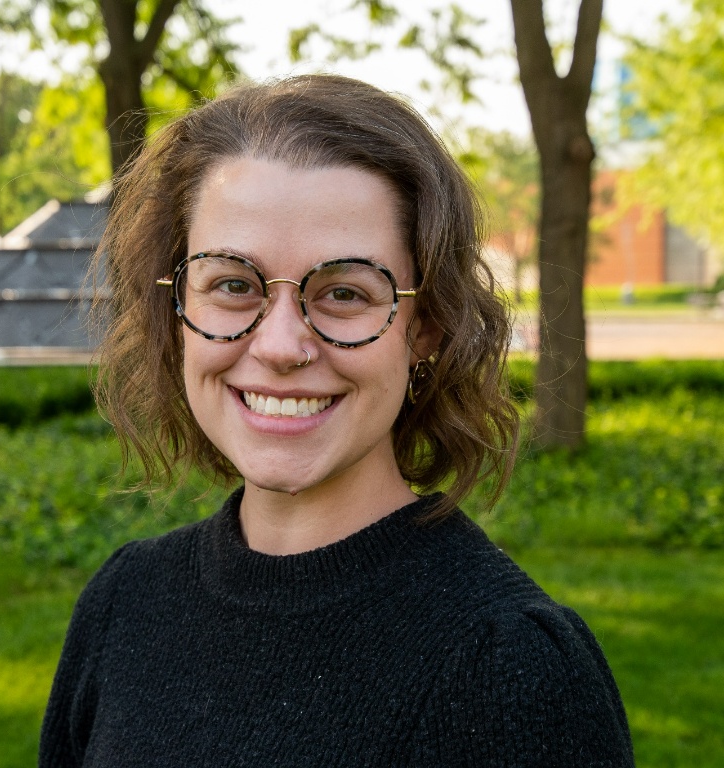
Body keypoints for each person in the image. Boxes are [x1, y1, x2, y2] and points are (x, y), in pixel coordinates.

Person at [39, 74, 634, 767]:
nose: (281, 346)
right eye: (232, 284)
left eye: (345, 292)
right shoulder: (124, 606)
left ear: (427, 328)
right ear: (175, 308)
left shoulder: (512, 670)